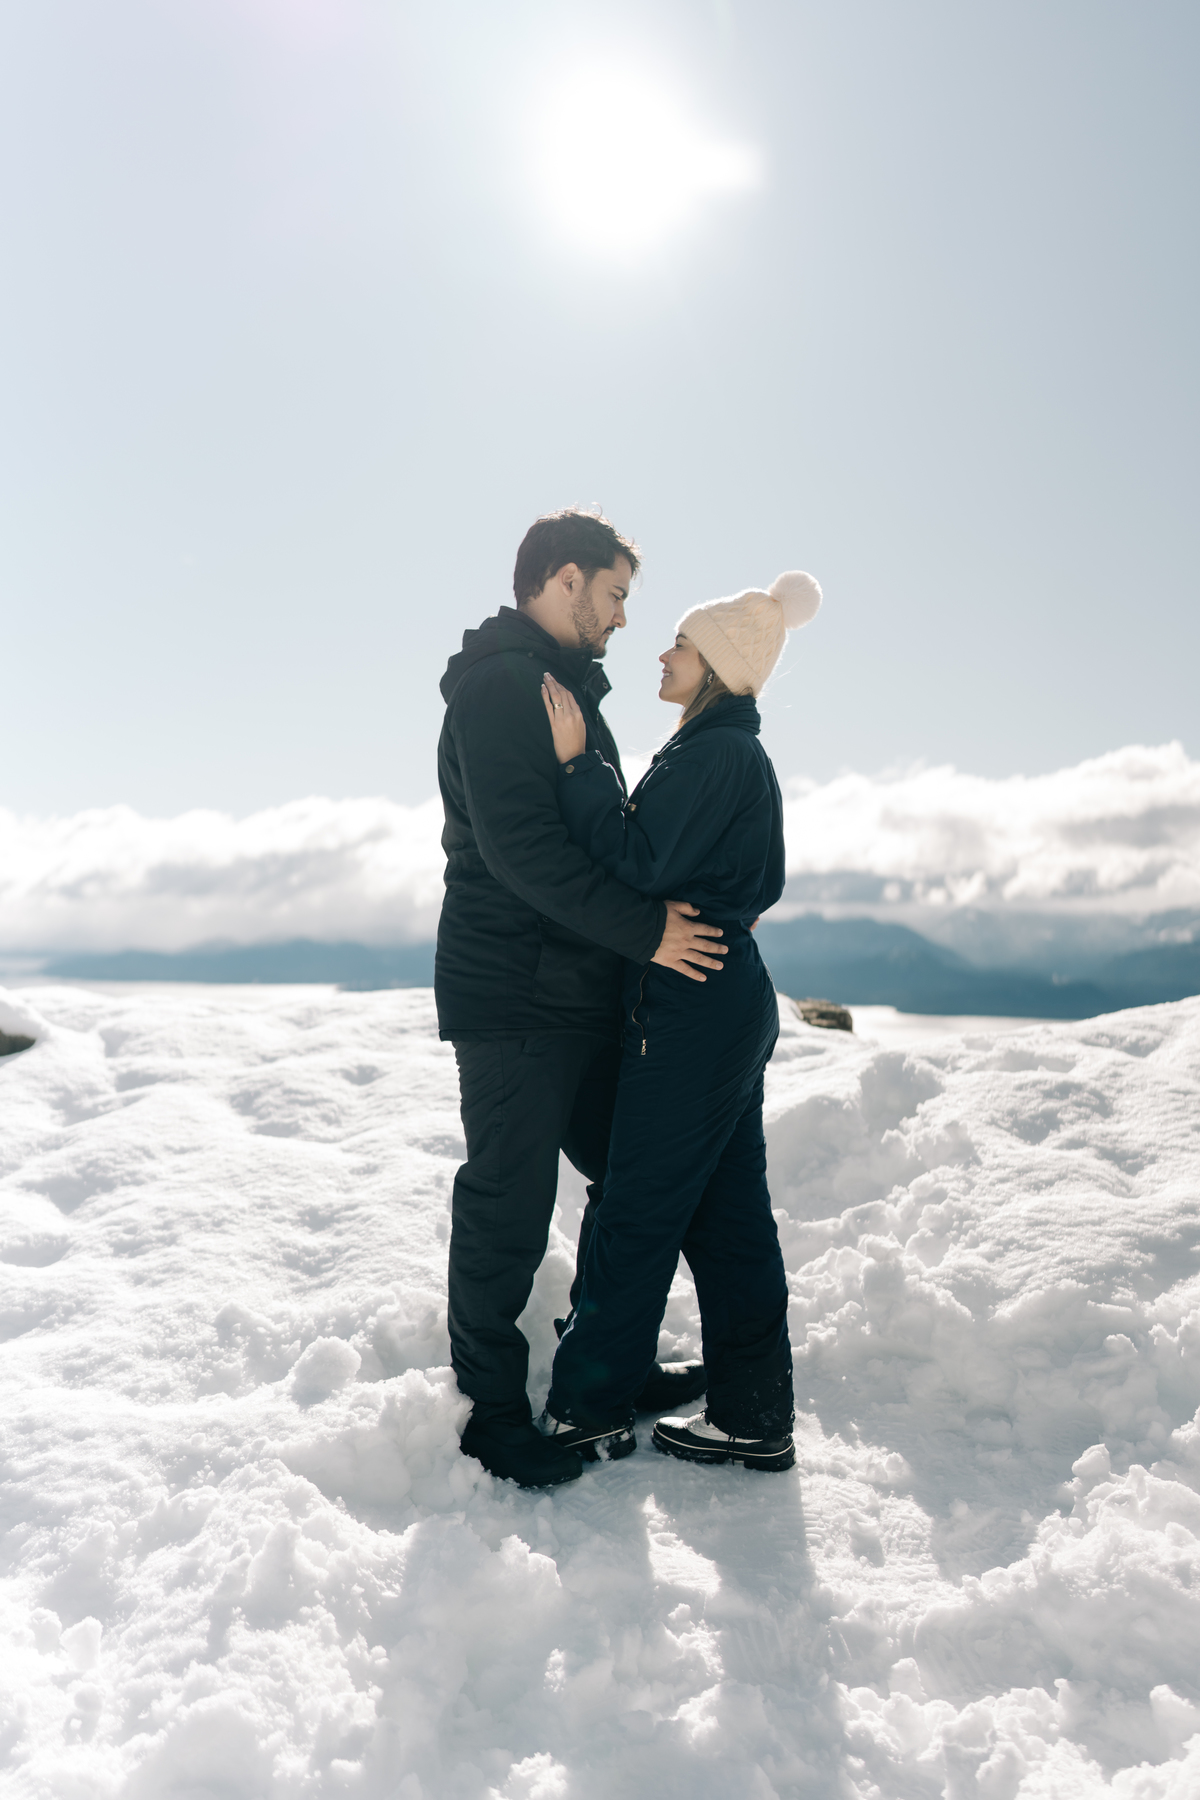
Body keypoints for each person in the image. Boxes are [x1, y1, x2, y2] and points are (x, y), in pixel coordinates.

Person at [436, 508, 726, 1490]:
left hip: (584, 991)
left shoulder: (561, 691)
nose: (619, 619)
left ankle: (610, 1365)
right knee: (508, 1206)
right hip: (515, 995)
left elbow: (599, 836)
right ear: (563, 581)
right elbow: (522, 853)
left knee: (636, 1179)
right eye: (613, 596)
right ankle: (489, 1412)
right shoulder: (500, 688)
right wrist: (649, 933)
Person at [536, 568, 822, 1471]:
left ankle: (589, 1406)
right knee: (729, 1215)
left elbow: (635, 859)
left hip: (694, 1003)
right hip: (725, 995)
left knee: (636, 1205)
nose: (662, 652)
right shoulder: (726, 751)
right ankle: (753, 1412)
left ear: (719, 665)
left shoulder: (713, 755)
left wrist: (580, 768)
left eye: (681, 645)